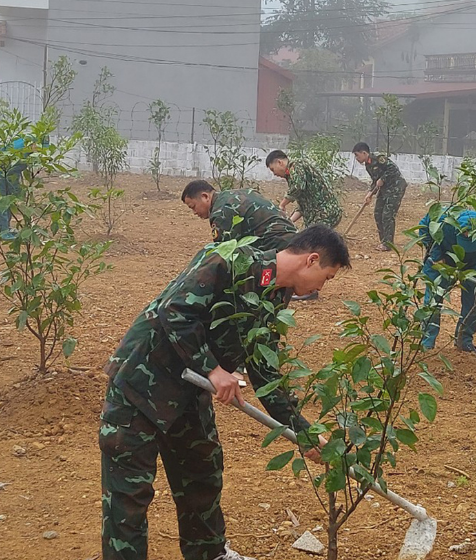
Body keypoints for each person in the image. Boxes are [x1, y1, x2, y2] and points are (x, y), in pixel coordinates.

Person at [99, 226, 351, 560]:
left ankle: (209, 555)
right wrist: (213, 370)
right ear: (312, 259)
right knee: (129, 496)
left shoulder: (276, 296)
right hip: (140, 389)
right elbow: (174, 311)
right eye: (327, 277)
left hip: (188, 395)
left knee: (202, 475)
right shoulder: (227, 260)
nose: (321, 287)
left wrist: (304, 433)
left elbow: (264, 368)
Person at [417, 209, 476, 357]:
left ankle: (464, 342)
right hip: (443, 258)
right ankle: (426, 342)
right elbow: (424, 227)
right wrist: (436, 254)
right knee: (434, 298)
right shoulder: (445, 219)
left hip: (473, 262)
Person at [181, 180, 297, 252]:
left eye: (193, 207)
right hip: (296, 240)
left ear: (205, 196)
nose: (194, 212)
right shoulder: (239, 193)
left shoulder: (221, 212)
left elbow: (225, 253)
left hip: (278, 248)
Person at [265, 149, 343, 228]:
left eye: (272, 169)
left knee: (311, 237)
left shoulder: (296, 165)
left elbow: (297, 187)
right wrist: (289, 222)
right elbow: (303, 206)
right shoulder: (293, 176)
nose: (274, 174)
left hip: (325, 212)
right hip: (319, 215)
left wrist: (282, 204)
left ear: (279, 162)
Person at [352, 142, 408, 251]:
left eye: (357, 155)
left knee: (387, 215)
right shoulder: (368, 166)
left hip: (395, 188)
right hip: (384, 190)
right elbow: (375, 181)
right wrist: (370, 194)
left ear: (364, 153)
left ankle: (388, 244)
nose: (356, 158)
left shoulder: (379, 159)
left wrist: (383, 179)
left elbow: (393, 169)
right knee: (378, 213)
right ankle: (384, 241)